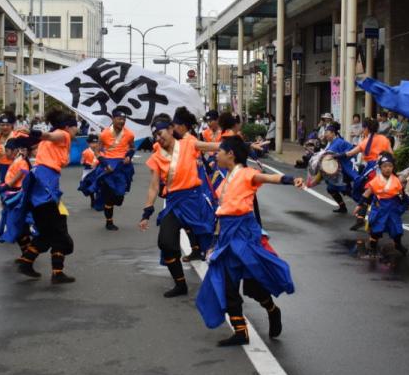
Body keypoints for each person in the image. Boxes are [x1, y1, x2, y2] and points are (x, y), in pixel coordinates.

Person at [193, 135, 301, 347]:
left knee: (253, 285)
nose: (217, 154)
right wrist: (214, 242)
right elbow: (220, 212)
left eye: (220, 151)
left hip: (244, 233)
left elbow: (268, 178)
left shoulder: (246, 173)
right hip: (226, 234)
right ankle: (241, 331)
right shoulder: (225, 178)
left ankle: (272, 309)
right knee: (227, 284)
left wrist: (290, 179)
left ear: (230, 154)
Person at [139, 110, 218, 297]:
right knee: (166, 242)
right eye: (155, 135)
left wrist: (238, 147)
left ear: (171, 129)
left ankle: (224, 283)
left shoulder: (188, 143)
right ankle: (180, 284)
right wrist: (146, 211)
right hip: (174, 203)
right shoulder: (157, 155)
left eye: (160, 133)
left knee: (210, 242)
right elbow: (153, 186)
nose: (158, 138)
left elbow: (211, 146)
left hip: (194, 202)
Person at [12, 109, 78, 283]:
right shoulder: (63, 134)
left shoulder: (55, 140)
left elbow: (46, 140)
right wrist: (36, 133)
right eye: (75, 127)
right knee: (59, 230)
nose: (76, 131)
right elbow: (50, 136)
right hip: (45, 187)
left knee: (48, 232)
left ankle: (28, 263)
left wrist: (31, 136)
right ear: (68, 127)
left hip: (42, 185)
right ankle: (56, 272)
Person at [359, 153, 409, 259]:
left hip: (393, 207)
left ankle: (398, 245)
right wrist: (360, 206)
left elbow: (403, 194)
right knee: (376, 230)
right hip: (380, 207)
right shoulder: (376, 181)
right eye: (385, 166)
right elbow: (366, 194)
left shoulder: (396, 180)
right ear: (380, 167)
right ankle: (372, 248)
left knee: (397, 230)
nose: (388, 169)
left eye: (390, 166)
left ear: (393, 167)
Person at [90, 110, 136, 230]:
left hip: (122, 166)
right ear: (113, 119)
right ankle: (109, 222)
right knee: (110, 196)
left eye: (124, 119)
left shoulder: (130, 134)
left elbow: (132, 148)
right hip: (108, 167)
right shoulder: (104, 134)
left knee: (119, 197)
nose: (122, 121)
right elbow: (97, 151)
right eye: (119, 119)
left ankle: (109, 200)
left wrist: (129, 156)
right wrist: (104, 164)